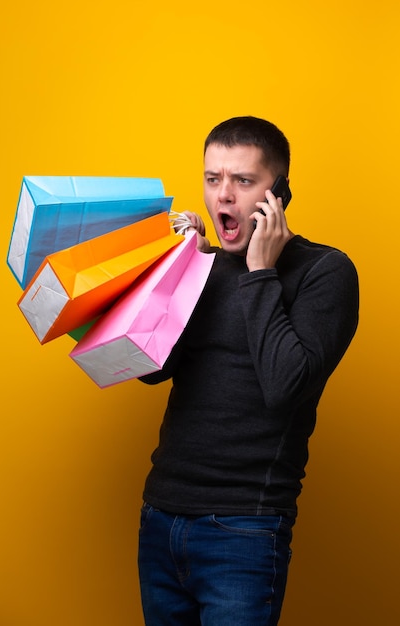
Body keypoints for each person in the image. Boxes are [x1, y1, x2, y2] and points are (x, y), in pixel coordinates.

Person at [137, 116, 359, 626]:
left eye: (243, 180)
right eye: (213, 179)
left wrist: (260, 271)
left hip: (244, 528)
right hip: (161, 516)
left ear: (278, 193)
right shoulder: (201, 266)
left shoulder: (325, 272)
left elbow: (285, 386)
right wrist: (172, 270)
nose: (223, 197)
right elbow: (150, 369)